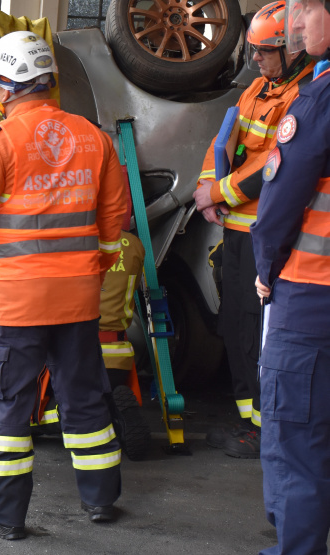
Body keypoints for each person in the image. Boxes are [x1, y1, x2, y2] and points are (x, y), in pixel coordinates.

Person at [0, 31, 127, 538]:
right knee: (84, 401)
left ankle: (4, 516)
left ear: (6, 87)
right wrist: (90, 265)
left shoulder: (0, 142)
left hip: (15, 304)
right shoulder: (92, 136)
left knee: (9, 407)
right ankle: (101, 500)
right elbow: (115, 217)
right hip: (78, 299)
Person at [194, 0, 315, 459]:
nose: (256, 59)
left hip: (269, 235)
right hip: (239, 232)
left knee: (263, 332)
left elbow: (275, 163)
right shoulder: (260, 88)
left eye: (265, 51)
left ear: (293, 50)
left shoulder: (304, 96)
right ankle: (249, 418)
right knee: (238, 324)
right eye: (255, 51)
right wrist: (209, 185)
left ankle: (265, 430)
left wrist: (219, 193)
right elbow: (222, 142)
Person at [250, 0, 330, 551]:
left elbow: (279, 202)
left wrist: (266, 268)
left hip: (311, 293)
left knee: (296, 441)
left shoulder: (319, 98)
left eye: (306, 7)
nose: (297, 22)